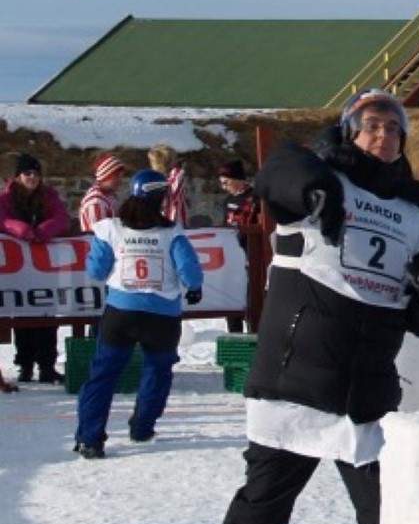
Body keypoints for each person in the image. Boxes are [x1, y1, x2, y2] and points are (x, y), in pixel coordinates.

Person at [222, 89, 419, 524]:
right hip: (295, 387)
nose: (384, 135)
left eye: (394, 129)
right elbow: (278, 169)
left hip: (365, 396)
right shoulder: (323, 178)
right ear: (349, 132)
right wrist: (317, 187)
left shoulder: (413, 214)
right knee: (261, 510)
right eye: (372, 126)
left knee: (390, 515)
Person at [72, 169, 204, 459]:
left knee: (103, 375)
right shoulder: (171, 231)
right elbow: (190, 272)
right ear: (161, 198)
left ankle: (90, 439)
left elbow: (96, 271)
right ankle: (142, 427)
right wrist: (194, 287)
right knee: (158, 371)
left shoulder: (110, 228)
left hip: (121, 311)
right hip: (162, 315)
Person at [1, 153, 71, 383]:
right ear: (18, 176)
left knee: (47, 316)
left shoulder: (49, 196)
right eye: (27, 173)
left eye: (36, 173)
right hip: (19, 268)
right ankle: (25, 364)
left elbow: (61, 217)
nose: (32, 177)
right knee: (23, 316)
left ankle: (47, 365)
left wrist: (44, 231)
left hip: (45, 268)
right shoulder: (7, 198)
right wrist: (20, 230)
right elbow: (2, 219)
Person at [220, 159, 260, 333]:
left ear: (237, 179)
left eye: (226, 182)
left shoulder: (254, 199)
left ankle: (253, 334)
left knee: (251, 300)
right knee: (231, 299)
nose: (223, 186)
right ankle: (234, 335)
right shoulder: (228, 199)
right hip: (232, 256)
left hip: (249, 255)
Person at [79, 153, 126, 233]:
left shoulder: (110, 195)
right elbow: (99, 234)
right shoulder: (95, 202)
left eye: (121, 177)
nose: (121, 182)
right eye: (116, 177)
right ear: (105, 177)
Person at [147, 144, 190, 228]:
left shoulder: (153, 180)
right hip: (174, 225)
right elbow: (173, 192)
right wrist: (178, 171)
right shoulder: (176, 176)